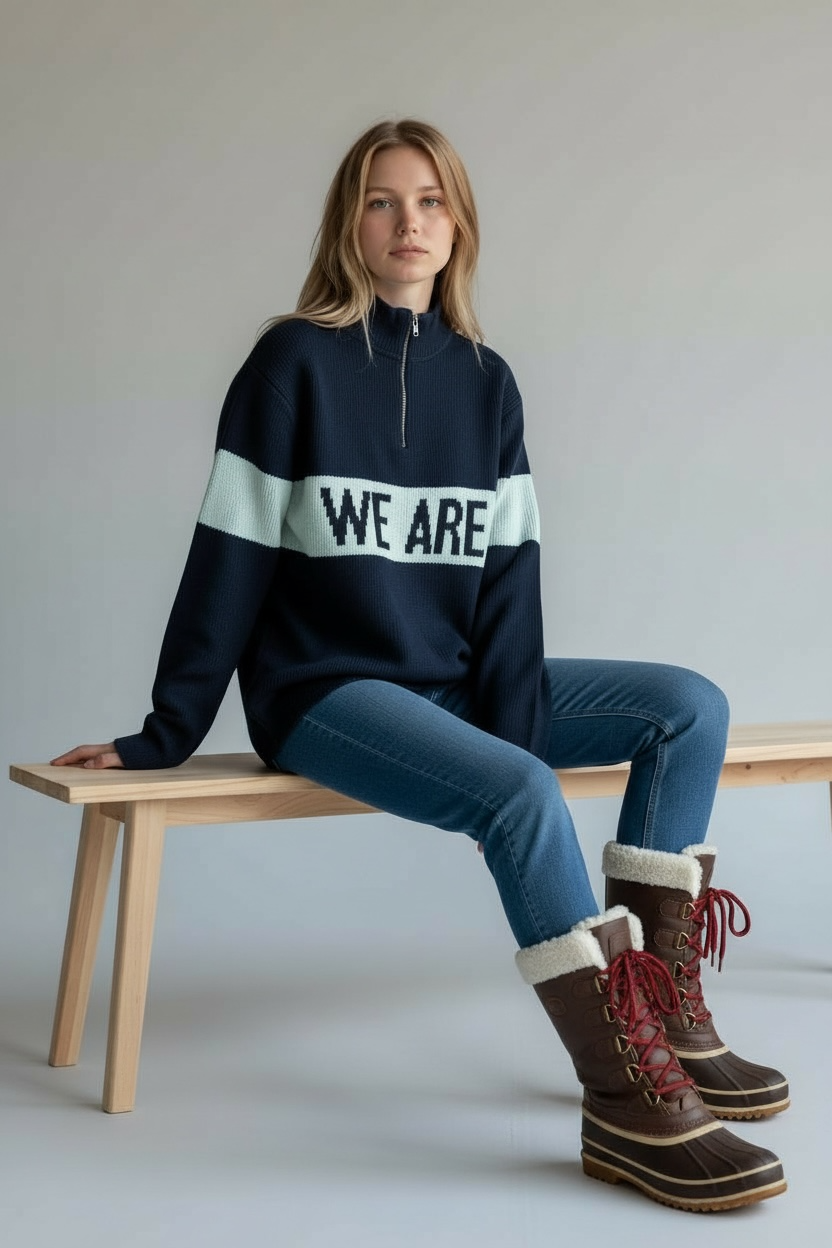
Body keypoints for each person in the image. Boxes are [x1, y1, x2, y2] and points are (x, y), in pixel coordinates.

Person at [52, 119, 788, 1210]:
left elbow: (508, 582)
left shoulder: (487, 384)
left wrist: (505, 721)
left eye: (431, 201)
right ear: (349, 224)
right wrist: (167, 730)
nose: (409, 223)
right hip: (326, 694)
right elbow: (228, 562)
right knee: (520, 793)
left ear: (459, 225)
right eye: (383, 201)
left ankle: (666, 1015)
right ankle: (625, 1101)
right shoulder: (290, 361)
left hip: (444, 681)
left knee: (686, 707)